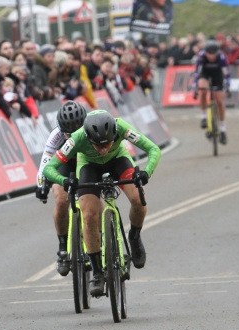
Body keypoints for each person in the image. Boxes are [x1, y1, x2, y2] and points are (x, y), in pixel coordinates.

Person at [43, 110, 161, 296]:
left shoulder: (121, 126)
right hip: (89, 167)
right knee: (88, 215)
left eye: (107, 143)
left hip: (118, 161)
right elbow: (49, 168)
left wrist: (146, 172)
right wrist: (64, 181)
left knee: (138, 199)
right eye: (98, 145)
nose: (104, 149)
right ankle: (97, 272)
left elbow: (153, 149)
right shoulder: (77, 138)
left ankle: (135, 237)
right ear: (88, 137)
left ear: (114, 134)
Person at [35, 101, 87, 276]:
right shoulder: (56, 135)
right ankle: (63, 249)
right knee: (61, 199)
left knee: (93, 199)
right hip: (63, 164)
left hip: (86, 161)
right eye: (67, 133)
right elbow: (45, 161)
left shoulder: (91, 128)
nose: (71, 137)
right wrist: (41, 184)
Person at [192, 40, 231, 145]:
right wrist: (195, 88)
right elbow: (196, 73)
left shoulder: (221, 58)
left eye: (214, 54)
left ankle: (222, 128)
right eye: (210, 54)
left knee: (219, 101)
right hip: (204, 74)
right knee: (203, 89)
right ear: (206, 52)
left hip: (217, 76)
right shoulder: (201, 57)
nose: (212, 57)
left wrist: (227, 87)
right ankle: (204, 116)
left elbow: (226, 74)